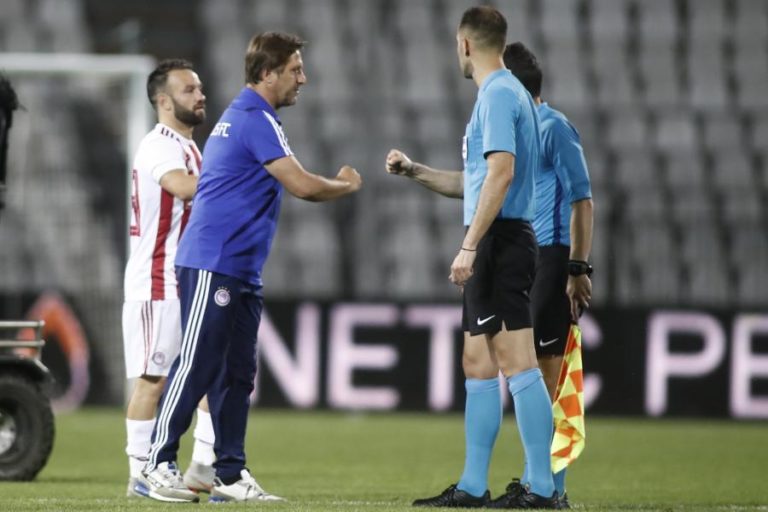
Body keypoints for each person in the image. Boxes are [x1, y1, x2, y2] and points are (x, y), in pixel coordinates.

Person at [140, 32, 362, 503]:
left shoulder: (252, 116)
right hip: (213, 263)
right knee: (198, 364)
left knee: (237, 375)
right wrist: (344, 185)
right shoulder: (253, 116)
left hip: (240, 269)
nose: (304, 79)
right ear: (267, 74)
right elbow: (301, 185)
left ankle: (229, 474)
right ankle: (154, 464)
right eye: (295, 70)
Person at [386, 6, 558, 509]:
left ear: (465, 44)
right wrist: (415, 170)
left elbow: (501, 175)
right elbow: (476, 183)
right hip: (496, 237)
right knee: (477, 361)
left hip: (500, 242)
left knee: (517, 363)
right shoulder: (505, 94)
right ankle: (473, 486)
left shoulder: (500, 94)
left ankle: (542, 489)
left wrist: (469, 246)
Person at [494, 41, 594, 508]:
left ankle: (552, 488)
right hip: (532, 254)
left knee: (546, 375)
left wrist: (577, 267)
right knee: (529, 372)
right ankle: (540, 479)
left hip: (554, 257)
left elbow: (582, 199)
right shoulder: (525, 132)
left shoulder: (555, 127)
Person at [122, 59, 216, 498]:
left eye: (199, 88)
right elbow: (183, 187)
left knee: (203, 376)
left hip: (184, 279)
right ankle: (141, 473)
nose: (200, 95)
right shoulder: (159, 144)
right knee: (152, 379)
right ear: (163, 101)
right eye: (188, 90)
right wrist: (241, 174)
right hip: (156, 281)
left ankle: (203, 465)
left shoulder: (190, 147)